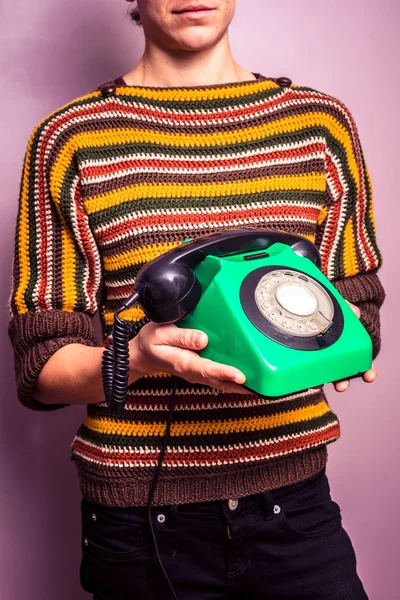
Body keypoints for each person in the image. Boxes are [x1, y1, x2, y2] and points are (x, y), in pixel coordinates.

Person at [8, 1, 385, 598]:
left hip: (295, 507)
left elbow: (358, 291)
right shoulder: (69, 139)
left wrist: (344, 339)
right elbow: (40, 369)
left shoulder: (320, 125)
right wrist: (138, 358)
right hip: (142, 523)